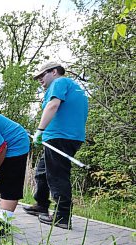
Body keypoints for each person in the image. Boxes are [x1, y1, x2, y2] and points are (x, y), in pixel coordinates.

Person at [23, 62, 88, 230]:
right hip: (64, 136)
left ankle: (62, 216)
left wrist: (40, 130)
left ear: (54, 72)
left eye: (42, 75)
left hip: (61, 137)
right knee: (42, 172)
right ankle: (41, 205)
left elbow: (53, 105)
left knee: (57, 175)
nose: (39, 79)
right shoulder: (75, 88)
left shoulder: (59, 83)